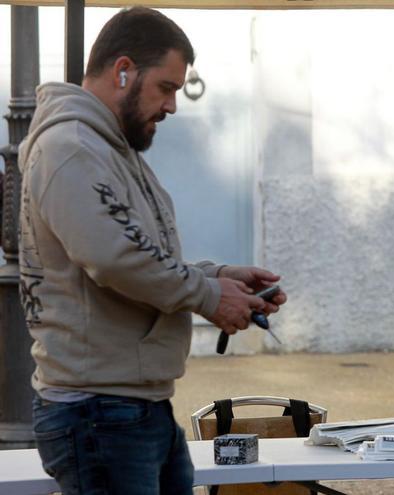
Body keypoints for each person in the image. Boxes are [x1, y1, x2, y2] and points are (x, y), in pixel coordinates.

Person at [17, 8, 287, 494]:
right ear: (123, 71)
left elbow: (137, 253)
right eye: (166, 87)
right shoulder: (73, 147)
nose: (173, 106)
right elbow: (117, 260)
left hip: (129, 408)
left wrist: (218, 275)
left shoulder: (106, 149)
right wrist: (210, 297)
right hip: (99, 412)